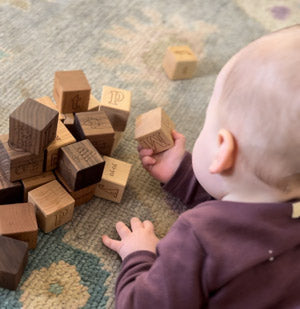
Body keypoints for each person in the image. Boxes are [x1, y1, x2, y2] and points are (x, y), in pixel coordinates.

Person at [102, 25, 300, 308]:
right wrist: (183, 175)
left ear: (222, 149)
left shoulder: (200, 238)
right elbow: (250, 209)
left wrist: (139, 255)